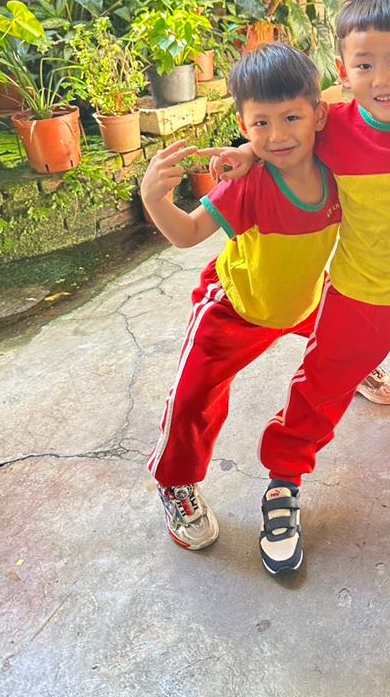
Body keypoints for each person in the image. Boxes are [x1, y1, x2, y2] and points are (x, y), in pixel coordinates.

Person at [208, 0, 390, 574]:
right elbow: (281, 135)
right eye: (364, 65)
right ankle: (283, 483)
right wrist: (250, 152)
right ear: (343, 72)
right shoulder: (332, 127)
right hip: (356, 297)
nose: (382, 78)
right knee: (314, 393)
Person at [143, 43, 341, 554]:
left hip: (305, 298)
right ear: (243, 123)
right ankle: (175, 482)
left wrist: (251, 147)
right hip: (238, 306)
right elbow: (187, 233)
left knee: (350, 343)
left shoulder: (337, 162)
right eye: (261, 124)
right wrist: (153, 197)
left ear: (318, 114)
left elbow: (355, 103)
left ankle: (359, 368)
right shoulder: (247, 183)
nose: (278, 136)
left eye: (292, 117)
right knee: (193, 398)